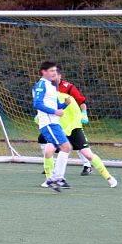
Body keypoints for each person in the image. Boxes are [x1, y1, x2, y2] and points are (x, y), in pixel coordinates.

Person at [56, 71, 118, 188]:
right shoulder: (47, 90)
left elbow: (81, 102)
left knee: (87, 154)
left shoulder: (68, 88)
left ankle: (108, 177)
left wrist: (84, 113)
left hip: (74, 126)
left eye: (55, 75)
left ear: (60, 76)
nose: (53, 78)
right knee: (51, 149)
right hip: (58, 127)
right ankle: (53, 178)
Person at [33, 61, 71, 193]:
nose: (54, 73)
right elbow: (37, 104)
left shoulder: (52, 85)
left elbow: (56, 106)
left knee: (62, 148)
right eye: (51, 70)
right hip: (48, 123)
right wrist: (55, 112)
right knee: (66, 147)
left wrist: (64, 104)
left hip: (54, 122)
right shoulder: (41, 84)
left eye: (55, 70)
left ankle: (55, 178)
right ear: (43, 72)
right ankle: (56, 178)